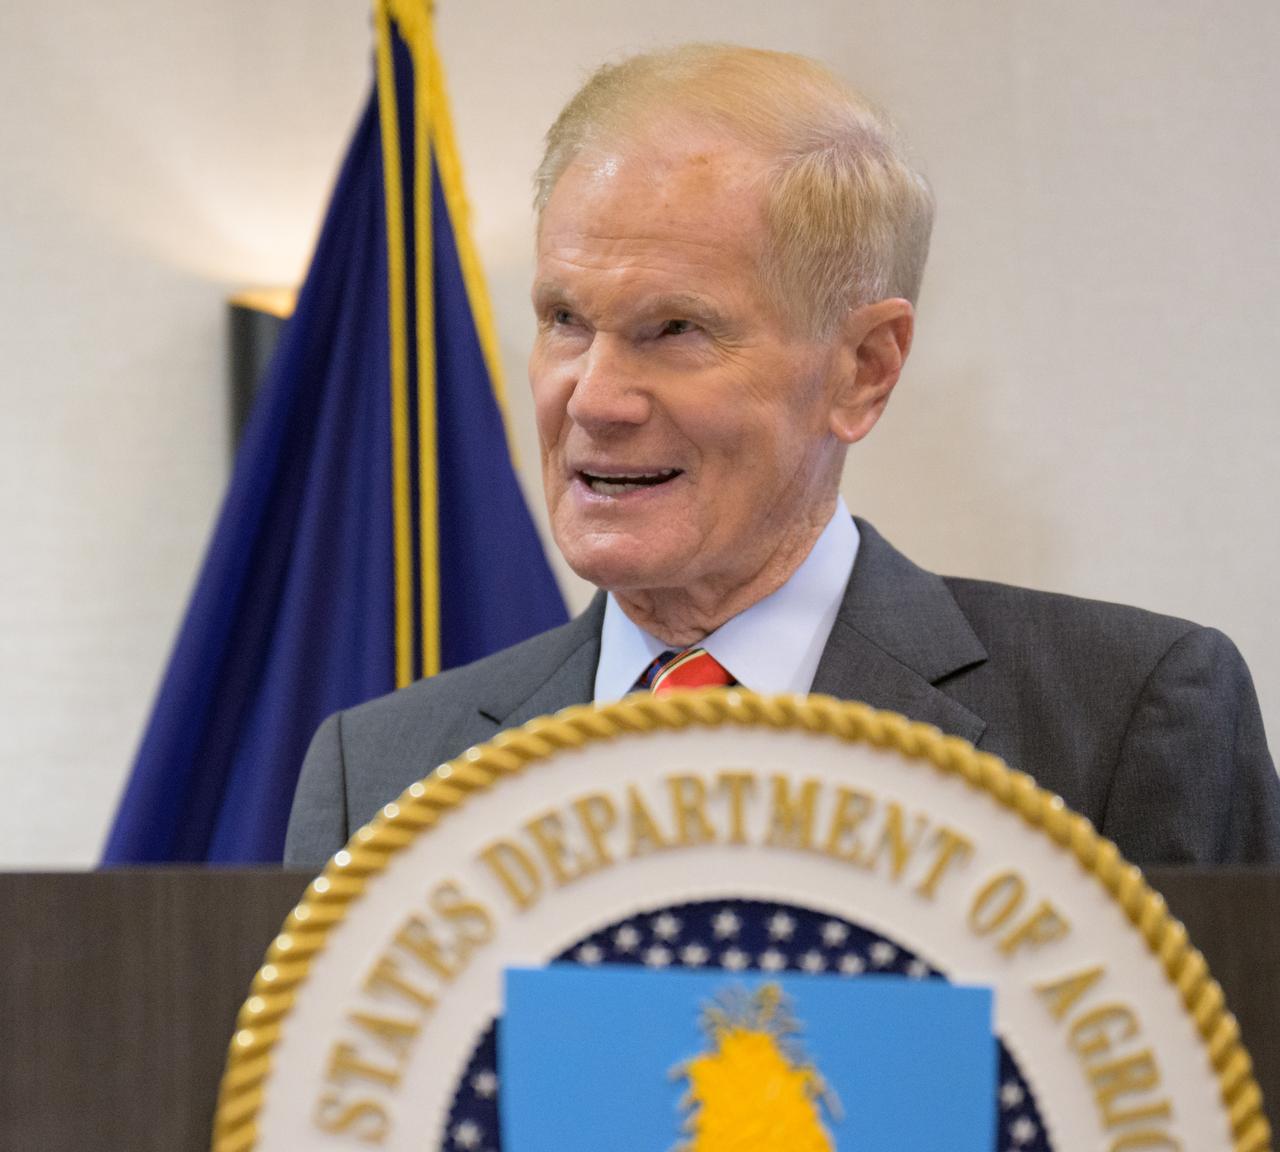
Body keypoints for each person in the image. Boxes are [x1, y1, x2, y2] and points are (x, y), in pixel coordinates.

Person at [285, 44, 1280, 869]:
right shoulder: (378, 777)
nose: (591, 397)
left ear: (860, 369)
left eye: (674, 328)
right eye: (564, 320)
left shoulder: (1123, 724)